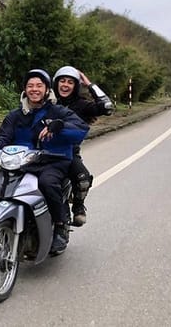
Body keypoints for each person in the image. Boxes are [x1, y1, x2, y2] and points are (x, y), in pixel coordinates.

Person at [0, 69, 90, 254]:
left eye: (39, 85)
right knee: (2, 184)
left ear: (47, 89)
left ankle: (61, 226)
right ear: (25, 89)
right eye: (30, 85)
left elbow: (81, 129)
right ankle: (7, 226)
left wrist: (59, 127)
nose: (34, 89)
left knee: (48, 182)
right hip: (22, 162)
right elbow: (3, 136)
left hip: (52, 160)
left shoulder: (58, 111)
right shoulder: (16, 115)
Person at [52, 66, 114, 227]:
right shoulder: (47, 102)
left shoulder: (82, 105)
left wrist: (90, 85)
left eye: (70, 82)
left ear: (76, 86)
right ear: (56, 83)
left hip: (69, 154)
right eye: (62, 81)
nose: (65, 85)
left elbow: (106, 107)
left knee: (82, 178)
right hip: (42, 151)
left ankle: (78, 206)